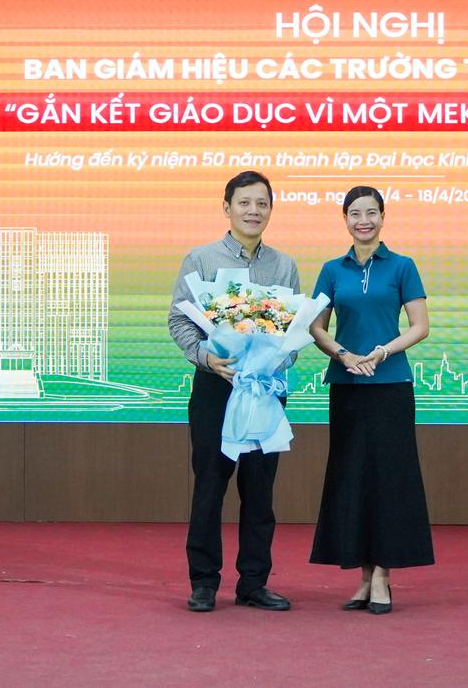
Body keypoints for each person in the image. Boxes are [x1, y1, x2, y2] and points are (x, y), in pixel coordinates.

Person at [167, 170, 301, 613]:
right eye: (244, 202)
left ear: (270, 210)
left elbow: (294, 330)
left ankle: (254, 583)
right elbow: (179, 320)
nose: (253, 211)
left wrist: (278, 360)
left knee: (260, 490)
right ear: (227, 208)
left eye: (262, 203)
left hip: (263, 390)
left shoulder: (284, 265)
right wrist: (207, 357)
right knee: (210, 485)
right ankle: (204, 581)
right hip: (216, 386)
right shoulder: (201, 259)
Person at [308, 185, 433, 615]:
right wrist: (343, 355)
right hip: (346, 386)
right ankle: (363, 577)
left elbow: (420, 326)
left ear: (383, 217)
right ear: (345, 219)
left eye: (371, 212)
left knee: (389, 481)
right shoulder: (331, 269)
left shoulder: (402, 266)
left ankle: (382, 575)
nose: (364, 220)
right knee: (352, 479)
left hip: (391, 385)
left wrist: (382, 352)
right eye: (355, 213)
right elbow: (316, 327)